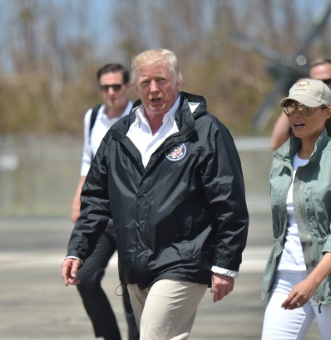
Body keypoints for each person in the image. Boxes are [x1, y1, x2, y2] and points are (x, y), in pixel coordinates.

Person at [62, 48, 249, 339]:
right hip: (136, 265)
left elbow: (229, 202)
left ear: (178, 81)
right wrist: (78, 248)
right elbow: (96, 199)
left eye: (161, 79)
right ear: (135, 86)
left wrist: (226, 263)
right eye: (146, 82)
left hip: (184, 260)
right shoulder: (119, 135)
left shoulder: (205, 131)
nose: (154, 89)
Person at [261, 79, 331, 339]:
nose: (297, 114)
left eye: (306, 108)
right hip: (285, 277)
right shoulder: (280, 161)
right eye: (291, 107)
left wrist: (312, 281)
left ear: (327, 112)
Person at [70, 63, 139, 340]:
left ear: (127, 87)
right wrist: (78, 199)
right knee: (84, 277)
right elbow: (88, 161)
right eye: (105, 87)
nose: (111, 92)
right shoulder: (93, 116)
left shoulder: (140, 115)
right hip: (99, 212)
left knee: (131, 286)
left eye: (116, 86)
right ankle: (110, 336)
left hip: (132, 216)